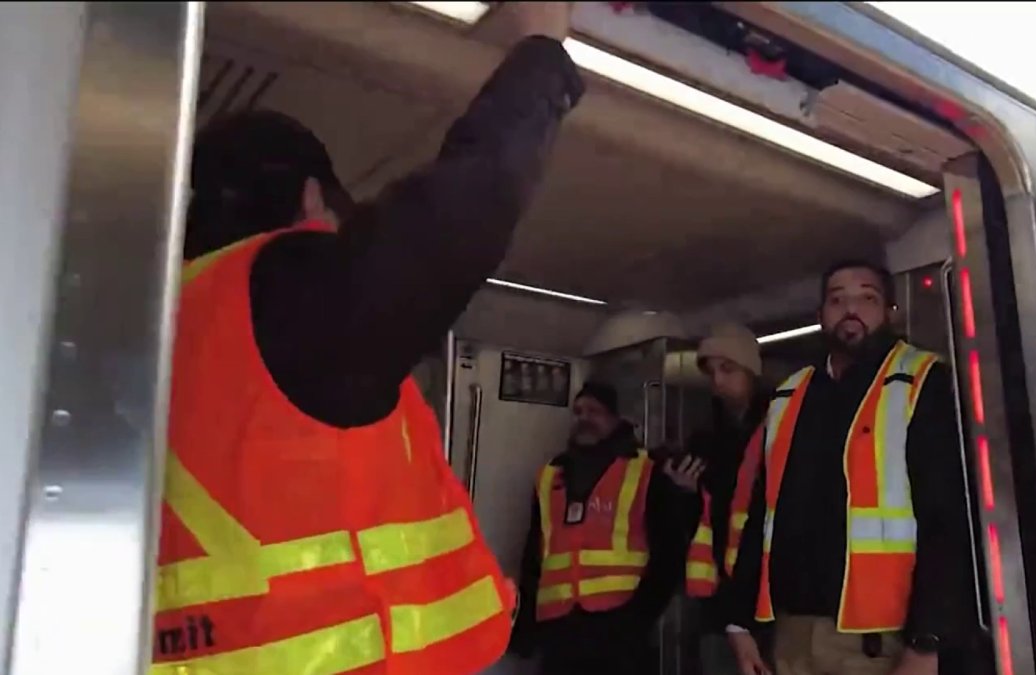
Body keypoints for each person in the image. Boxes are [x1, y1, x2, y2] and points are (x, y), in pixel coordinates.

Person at [153, 4, 584, 674]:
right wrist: (541, 45)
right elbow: (454, 218)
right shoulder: (278, 291)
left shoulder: (163, 329)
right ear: (311, 199)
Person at [724, 260, 976, 675]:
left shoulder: (921, 379)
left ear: (890, 312)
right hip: (789, 634)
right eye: (837, 300)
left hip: (881, 642)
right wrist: (737, 621)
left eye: (867, 298)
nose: (851, 309)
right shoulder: (790, 393)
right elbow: (762, 515)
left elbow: (948, 518)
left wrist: (928, 641)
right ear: (821, 315)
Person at [510, 382, 692, 675]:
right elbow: (534, 557)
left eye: (594, 411)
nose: (584, 418)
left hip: (619, 632)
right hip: (559, 631)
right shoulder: (550, 476)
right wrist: (525, 628)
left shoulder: (646, 472)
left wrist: (637, 620)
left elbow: (669, 556)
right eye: (578, 411)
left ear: (617, 418)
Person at [669, 323, 775, 675]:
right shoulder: (705, 438)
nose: (717, 381)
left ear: (751, 371)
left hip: (770, 594)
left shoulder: (780, 426)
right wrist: (685, 492)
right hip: (716, 597)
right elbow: (699, 524)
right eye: (711, 372)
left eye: (727, 369)